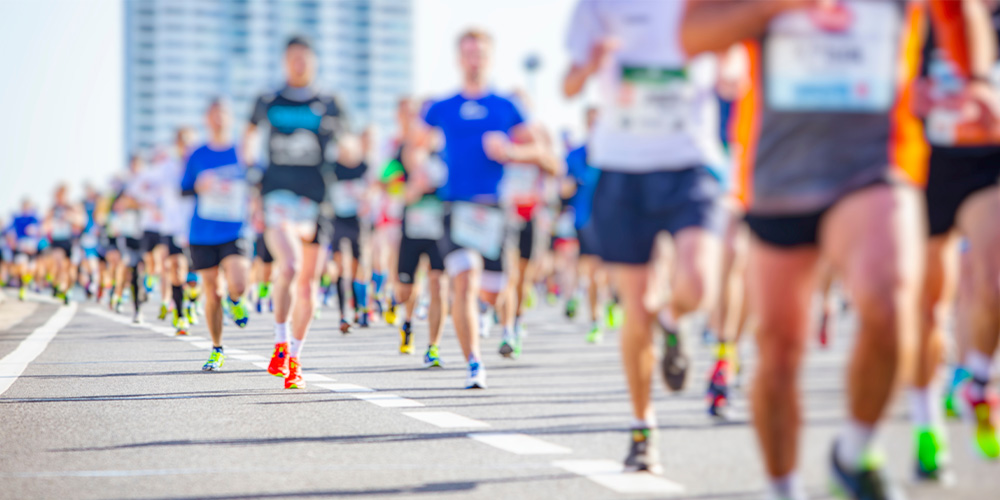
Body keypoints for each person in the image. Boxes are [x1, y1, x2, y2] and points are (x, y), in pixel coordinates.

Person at [681, 1, 1000, 498]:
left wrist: (977, 78)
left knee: (892, 297)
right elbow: (693, 33)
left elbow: (962, 10)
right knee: (780, 350)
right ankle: (783, 488)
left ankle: (855, 453)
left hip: (877, 162)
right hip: (781, 169)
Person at [564, 0, 726, 474]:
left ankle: (673, 319)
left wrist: (731, 66)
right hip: (622, 166)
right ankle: (643, 428)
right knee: (636, 306)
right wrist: (590, 65)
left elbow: (736, 54)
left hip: (689, 163)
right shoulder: (597, 7)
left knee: (698, 284)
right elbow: (569, 84)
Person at [410, 28, 556, 389]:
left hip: (494, 213)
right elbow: (412, 144)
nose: (474, 59)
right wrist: (419, 170)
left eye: (481, 53)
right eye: (468, 53)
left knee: (492, 291)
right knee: (464, 280)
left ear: (490, 59)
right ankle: (474, 362)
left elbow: (548, 158)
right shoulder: (442, 107)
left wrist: (511, 151)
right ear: (459, 59)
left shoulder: (506, 107)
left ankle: (485, 312)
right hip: (454, 208)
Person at [909, 3, 1000, 477]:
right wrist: (905, 93)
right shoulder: (914, 15)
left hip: (988, 161)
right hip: (924, 162)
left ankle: (979, 380)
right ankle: (927, 425)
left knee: (995, 277)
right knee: (928, 307)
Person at [243, 35, 351, 389]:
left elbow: (350, 147)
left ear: (314, 62)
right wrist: (249, 173)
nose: (299, 64)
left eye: (305, 58)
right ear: (285, 61)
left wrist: (348, 145)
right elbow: (247, 138)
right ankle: (278, 341)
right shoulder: (267, 100)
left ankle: (295, 358)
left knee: (307, 285)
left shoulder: (330, 102)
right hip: (277, 196)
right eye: (293, 58)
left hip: (316, 201)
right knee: (288, 266)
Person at [182, 98, 252, 370]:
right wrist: (198, 185)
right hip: (202, 231)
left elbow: (258, 182)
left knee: (239, 284)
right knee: (212, 293)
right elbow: (184, 189)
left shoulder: (242, 152)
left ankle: (237, 300)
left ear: (231, 118)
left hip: (235, 228)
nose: (219, 119)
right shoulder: (197, 154)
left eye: (224, 114)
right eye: (214, 114)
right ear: (207, 120)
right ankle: (217, 348)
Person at [391, 97, 448, 362]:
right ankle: (409, 321)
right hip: (412, 228)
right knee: (405, 290)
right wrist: (406, 190)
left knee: (438, 284)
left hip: (439, 230)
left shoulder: (448, 151)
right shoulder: (404, 149)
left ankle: (433, 346)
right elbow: (386, 181)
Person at [43, 184, 84, 305]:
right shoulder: (53, 208)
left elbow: (81, 222)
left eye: (62, 194)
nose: (59, 197)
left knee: (71, 271)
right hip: (57, 240)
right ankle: (59, 286)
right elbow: (45, 223)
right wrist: (46, 227)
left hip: (71, 241)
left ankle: (66, 289)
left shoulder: (72, 206)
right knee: (59, 264)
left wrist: (71, 217)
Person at [10, 199, 41, 301]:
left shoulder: (34, 218)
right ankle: (23, 287)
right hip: (21, 246)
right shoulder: (17, 219)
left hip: (32, 248)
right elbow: (11, 233)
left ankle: (28, 282)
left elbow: (39, 231)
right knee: (22, 266)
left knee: (31, 269)